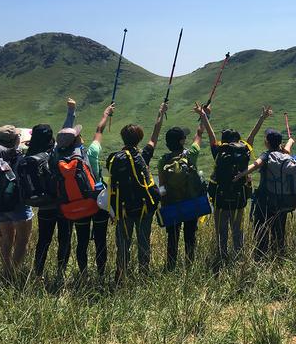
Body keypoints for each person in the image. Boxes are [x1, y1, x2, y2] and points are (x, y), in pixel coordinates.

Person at [200, 105, 272, 267]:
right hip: (239, 198)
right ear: (238, 139)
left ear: (224, 140)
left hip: (220, 199)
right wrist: (262, 117)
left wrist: (203, 115)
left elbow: (211, 135)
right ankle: (238, 259)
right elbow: (252, 136)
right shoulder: (245, 149)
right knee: (237, 231)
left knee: (221, 232)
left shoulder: (219, 150)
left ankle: (222, 258)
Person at [107, 103, 167, 282]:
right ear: (139, 139)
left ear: (123, 138)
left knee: (123, 243)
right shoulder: (142, 156)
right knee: (143, 241)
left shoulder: (115, 159)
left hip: (123, 208)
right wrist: (160, 114)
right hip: (144, 207)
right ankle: (144, 275)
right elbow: (154, 137)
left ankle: (121, 275)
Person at [31, 98, 77, 283]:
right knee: (64, 239)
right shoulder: (56, 152)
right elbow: (66, 132)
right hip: (63, 203)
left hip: (44, 205)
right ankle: (60, 272)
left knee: (43, 240)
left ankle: (38, 274)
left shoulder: (31, 154)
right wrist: (71, 112)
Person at [235, 128, 296, 259]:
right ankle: (278, 257)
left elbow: (256, 164)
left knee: (261, 228)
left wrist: (241, 174)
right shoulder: (285, 156)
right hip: (281, 200)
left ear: (267, 142)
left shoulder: (267, 155)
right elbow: (287, 150)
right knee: (279, 230)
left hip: (265, 199)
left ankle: (260, 257)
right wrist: (290, 142)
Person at [73, 102, 115, 279]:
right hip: (98, 202)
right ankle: (101, 274)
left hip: (78, 204)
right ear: (80, 140)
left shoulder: (63, 156)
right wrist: (106, 114)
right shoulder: (91, 151)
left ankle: (83, 275)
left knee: (81, 241)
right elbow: (99, 131)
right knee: (100, 240)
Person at [158, 113, 205, 270]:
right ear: (182, 141)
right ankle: (189, 266)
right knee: (190, 236)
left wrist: (164, 204)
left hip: (171, 204)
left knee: (172, 237)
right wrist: (206, 116)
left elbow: (162, 186)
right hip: (190, 203)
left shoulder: (163, 160)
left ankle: (171, 266)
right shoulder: (190, 155)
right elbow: (199, 135)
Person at [0, 126, 33, 278]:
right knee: (22, 239)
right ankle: (13, 274)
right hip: (18, 204)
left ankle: (6, 271)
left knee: (6, 238)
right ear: (15, 140)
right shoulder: (18, 157)